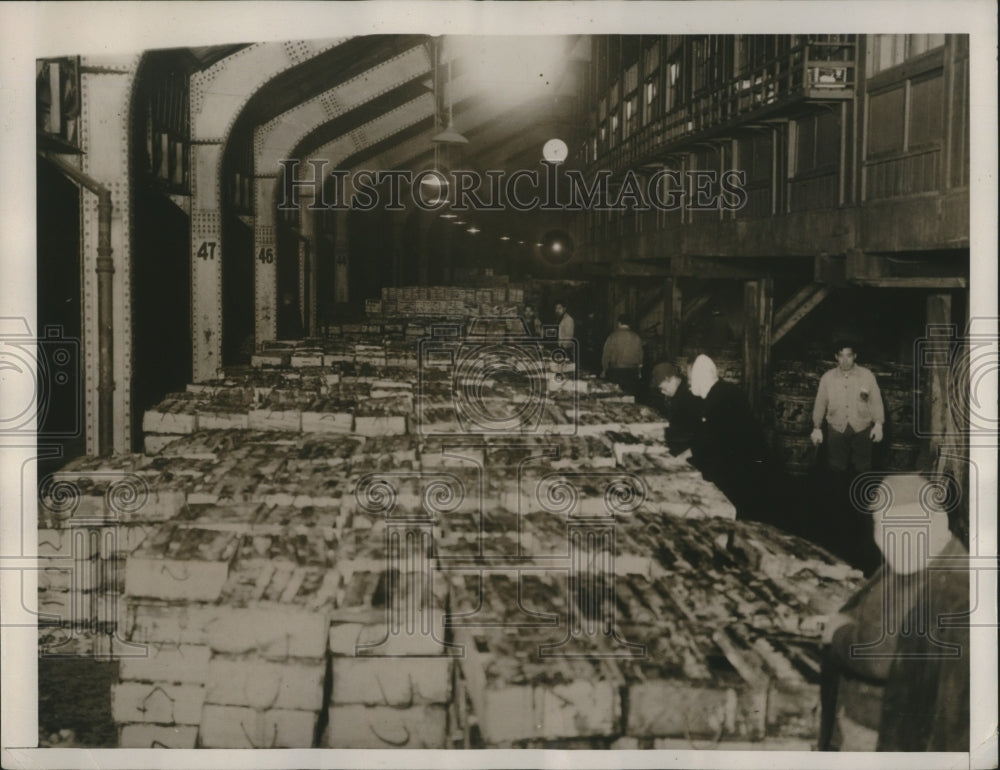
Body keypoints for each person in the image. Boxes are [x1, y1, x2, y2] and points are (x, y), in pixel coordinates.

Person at [819, 473, 969, 751]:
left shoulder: (951, 584)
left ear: (937, 523)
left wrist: (838, 634)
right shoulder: (915, 559)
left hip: (883, 736)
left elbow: (883, 656)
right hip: (864, 722)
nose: (893, 540)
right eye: (883, 527)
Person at [687, 354, 770, 520]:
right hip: (747, 459)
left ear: (700, 378)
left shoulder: (717, 399)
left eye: (691, 379)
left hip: (742, 465)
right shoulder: (723, 390)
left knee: (735, 510)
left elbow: (710, 441)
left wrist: (687, 460)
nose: (689, 384)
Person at [811, 341, 885, 474]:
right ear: (836, 357)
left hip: (862, 428)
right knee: (835, 468)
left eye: (849, 356)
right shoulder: (828, 378)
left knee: (863, 468)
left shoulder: (867, 375)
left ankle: (861, 494)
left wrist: (878, 424)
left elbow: (876, 401)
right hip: (836, 428)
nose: (845, 361)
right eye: (841, 356)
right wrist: (816, 427)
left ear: (855, 356)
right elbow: (820, 403)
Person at [649, 361, 703, 456]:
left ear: (670, 379)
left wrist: (664, 433)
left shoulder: (688, 395)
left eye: (663, 389)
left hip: (690, 451)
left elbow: (688, 430)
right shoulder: (676, 391)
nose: (662, 392)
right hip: (679, 444)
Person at [601, 315, 644, 396]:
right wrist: (639, 372)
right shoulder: (636, 337)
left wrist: (604, 370)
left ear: (619, 323)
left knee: (615, 397)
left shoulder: (613, 336)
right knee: (630, 397)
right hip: (632, 373)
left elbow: (606, 355)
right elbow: (640, 357)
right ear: (630, 324)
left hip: (616, 372)